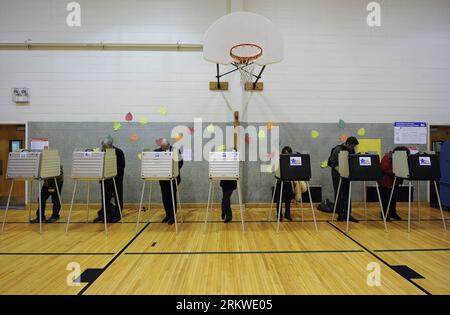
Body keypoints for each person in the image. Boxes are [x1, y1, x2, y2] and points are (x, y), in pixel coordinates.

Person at [93, 136, 125, 223]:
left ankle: (118, 215)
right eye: (102, 146)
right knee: (104, 198)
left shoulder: (119, 152)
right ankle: (104, 215)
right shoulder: (102, 152)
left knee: (118, 198)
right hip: (105, 179)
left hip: (116, 180)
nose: (103, 148)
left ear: (110, 145)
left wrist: (110, 171)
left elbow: (121, 167)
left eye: (105, 146)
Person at [328, 136, 359, 222]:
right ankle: (340, 214)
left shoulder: (351, 150)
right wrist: (341, 172)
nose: (353, 148)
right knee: (339, 195)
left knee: (347, 195)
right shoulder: (338, 149)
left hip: (347, 175)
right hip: (337, 176)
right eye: (352, 146)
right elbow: (332, 163)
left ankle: (348, 214)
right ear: (347, 143)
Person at [155, 139, 183, 225]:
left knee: (172, 197)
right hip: (163, 178)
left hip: (173, 178)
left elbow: (181, 163)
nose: (163, 149)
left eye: (165, 147)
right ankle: (167, 215)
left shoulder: (175, 150)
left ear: (168, 145)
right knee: (165, 198)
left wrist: (173, 170)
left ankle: (172, 217)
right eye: (162, 147)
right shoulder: (157, 151)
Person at [378, 146, 410, 221]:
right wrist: (397, 172)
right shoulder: (387, 157)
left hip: (395, 181)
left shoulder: (400, 158)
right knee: (385, 199)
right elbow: (384, 168)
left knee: (393, 198)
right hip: (385, 181)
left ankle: (392, 213)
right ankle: (384, 214)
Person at [274, 146, 295, 221]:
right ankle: (279, 214)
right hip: (280, 181)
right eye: (285, 154)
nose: (287, 155)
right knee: (279, 199)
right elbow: (275, 171)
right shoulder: (278, 160)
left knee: (288, 199)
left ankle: (287, 213)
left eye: (288, 154)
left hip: (288, 182)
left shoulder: (292, 161)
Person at [219, 148, 238, 223]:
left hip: (232, 182)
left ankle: (223, 211)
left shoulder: (235, 160)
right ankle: (229, 215)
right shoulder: (224, 160)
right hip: (224, 182)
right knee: (226, 199)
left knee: (225, 198)